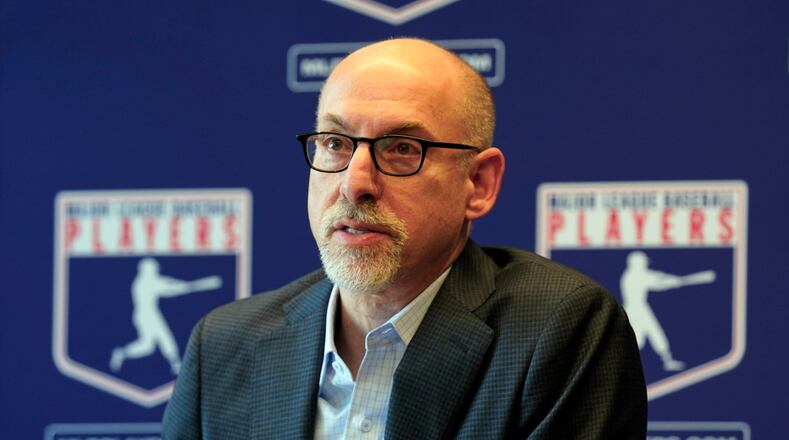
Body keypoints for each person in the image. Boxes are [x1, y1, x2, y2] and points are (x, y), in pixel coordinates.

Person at [163, 38, 647, 439]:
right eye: (335, 143)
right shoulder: (223, 345)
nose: (355, 182)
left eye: (401, 149)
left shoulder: (558, 330)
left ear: (478, 184)